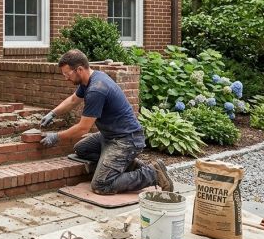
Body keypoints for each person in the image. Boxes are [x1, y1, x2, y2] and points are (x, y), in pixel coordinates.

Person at [39, 49, 173, 194]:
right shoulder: (90, 80)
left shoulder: (96, 90)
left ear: (79, 69)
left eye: (67, 74)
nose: (66, 78)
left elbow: (83, 128)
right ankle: (126, 164)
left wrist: (56, 137)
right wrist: (53, 113)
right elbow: (73, 100)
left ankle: (152, 174)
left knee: (101, 185)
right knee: (82, 149)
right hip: (110, 135)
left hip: (127, 140)